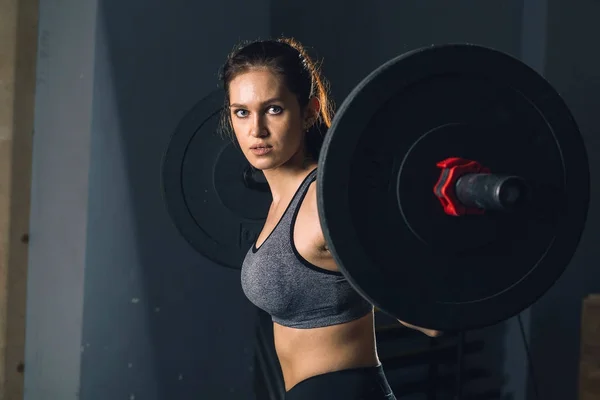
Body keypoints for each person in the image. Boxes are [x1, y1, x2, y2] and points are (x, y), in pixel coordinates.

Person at [219, 37, 441, 400]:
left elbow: (424, 317)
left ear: (309, 111)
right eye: (241, 112)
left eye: (273, 109)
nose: (255, 130)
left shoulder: (325, 204)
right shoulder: (283, 201)